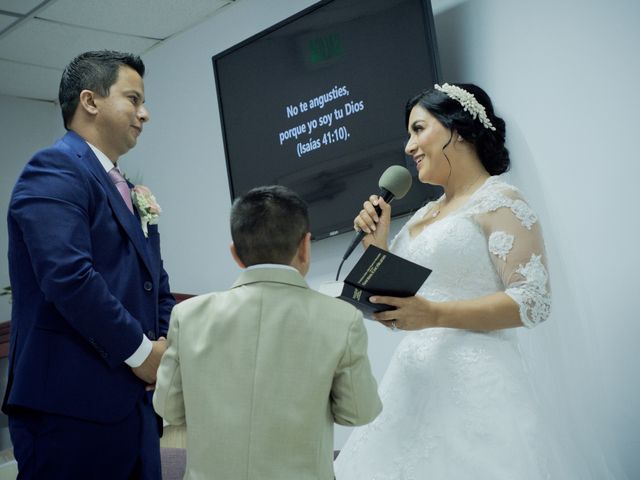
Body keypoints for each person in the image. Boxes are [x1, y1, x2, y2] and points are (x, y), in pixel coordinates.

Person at [334, 83, 555, 479]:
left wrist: (434, 314)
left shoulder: (500, 200)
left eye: (418, 130)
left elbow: (532, 301)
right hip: (411, 387)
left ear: (460, 128)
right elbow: (399, 304)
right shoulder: (421, 216)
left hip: (478, 388)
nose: (408, 146)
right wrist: (378, 244)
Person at [3, 50, 175, 479]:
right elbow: (69, 277)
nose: (144, 113)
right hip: (69, 410)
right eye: (133, 99)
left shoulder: (128, 189)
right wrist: (141, 354)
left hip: (134, 407)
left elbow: (155, 281)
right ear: (90, 101)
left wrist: (165, 348)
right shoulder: (53, 169)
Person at [153, 185, 382, 480]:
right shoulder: (342, 318)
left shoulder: (187, 315)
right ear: (305, 246)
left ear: (235, 254)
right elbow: (359, 411)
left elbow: (167, 407)